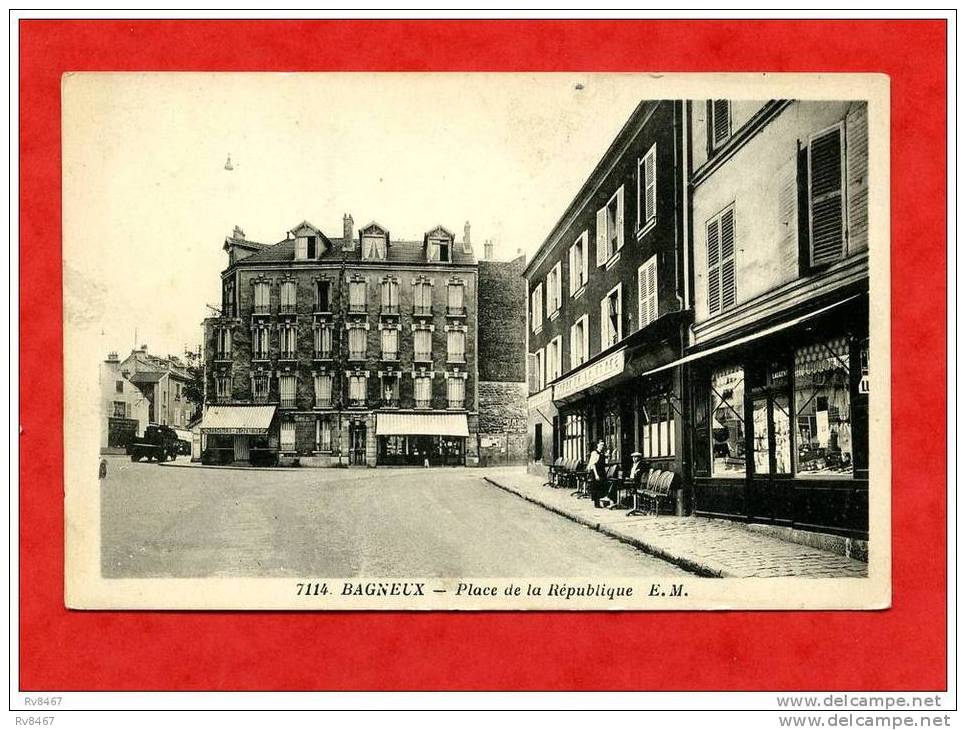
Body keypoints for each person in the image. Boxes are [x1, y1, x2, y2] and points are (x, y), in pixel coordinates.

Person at [585, 440, 608, 508]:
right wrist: (596, 474)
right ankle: (596, 503)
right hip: (596, 471)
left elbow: (604, 463)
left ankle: (603, 502)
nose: (602, 446)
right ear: (597, 445)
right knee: (596, 487)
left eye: (603, 445)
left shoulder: (602, 453)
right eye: (600, 445)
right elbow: (593, 464)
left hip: (602, 471)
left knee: (602, 486)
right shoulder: (594, 453)